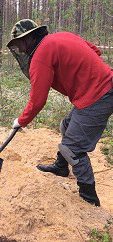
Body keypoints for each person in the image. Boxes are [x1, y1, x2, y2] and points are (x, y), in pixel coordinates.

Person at [7, 19, 113, 207]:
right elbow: (95, 50)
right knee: (65, 125)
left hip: (97, 96)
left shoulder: (40, 55)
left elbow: (38, 100)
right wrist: (82, 75)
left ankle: (89, 198)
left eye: (20, 44)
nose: (20, 50)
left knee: (72, 148)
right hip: (99, 88)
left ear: (29, 38)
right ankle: (61, 167)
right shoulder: (62, 36)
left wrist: (21, 121)